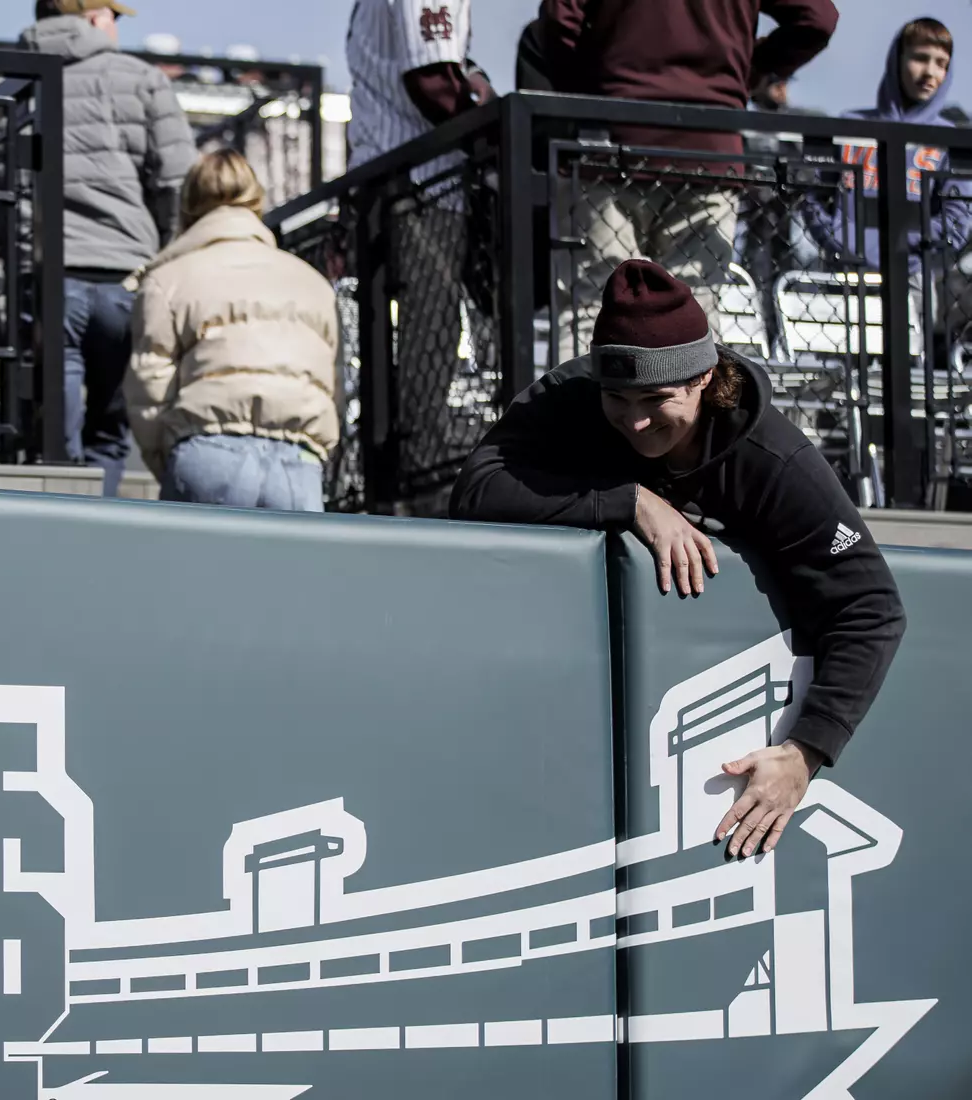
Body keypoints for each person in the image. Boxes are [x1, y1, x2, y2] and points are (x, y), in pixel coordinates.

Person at [451, 259, 905, 859]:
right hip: (562, 727)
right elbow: (475, 489)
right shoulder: (573, 396)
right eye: (617, 398)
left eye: (656, 399)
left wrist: (804, 752)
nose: (635, 421)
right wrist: (628, 501)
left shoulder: (773, 460)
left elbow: (870, 607)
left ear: (703, 379)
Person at [539, 0, 839, 360]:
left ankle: (577, 414)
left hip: (612, 138)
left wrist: (595, 88)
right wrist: (747, 70)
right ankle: (689, 412)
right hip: (710, 149)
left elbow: (560, 17)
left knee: (594, 309)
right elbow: (818, 18)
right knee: (694, 313)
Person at [20, 0, 196, 497]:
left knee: (55, 429)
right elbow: (179, 180)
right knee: (111, 426)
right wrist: (165, 253)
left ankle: (57, 515)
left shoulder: (12, 81)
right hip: (128, 276)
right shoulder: (141, 79)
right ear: (97, 18)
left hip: (51, 277)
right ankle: (98, 519)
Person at [345, 0, 496, 514]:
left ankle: (405, 480)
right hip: (419, 182)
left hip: (393, 175)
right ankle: (420, 486)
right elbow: (431, 79)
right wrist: (495, 131)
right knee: (428, 338)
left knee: (417, 339)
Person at [124, 149, 338, 510]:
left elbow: (149, 385)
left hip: (207, 448)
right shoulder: (312, 282)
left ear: (189, 205)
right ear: (255, 200)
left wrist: (167, 458)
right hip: (298, 462)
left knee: (199, 568)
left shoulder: (166, 280)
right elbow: (331, 384)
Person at [808, 18, 972, 272]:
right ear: (897, 60)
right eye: (920, 58)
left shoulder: (947, 138)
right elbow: (813, 196)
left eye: (941, 64)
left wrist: (911, 244)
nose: (930, 72)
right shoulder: (850, 127)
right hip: (844, 271)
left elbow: (959, 217)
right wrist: (841, 241)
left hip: (915, 275)